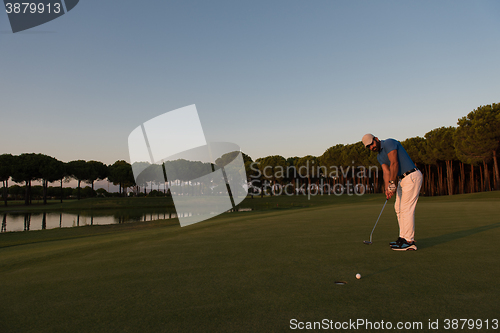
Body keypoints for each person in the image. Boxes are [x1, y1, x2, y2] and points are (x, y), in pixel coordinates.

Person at [362, 134, 423, 251]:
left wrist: (391, 183)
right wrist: (387, 188)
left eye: (372, 144)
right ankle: (403, 237)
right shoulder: (379, 157)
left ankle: (409, 241)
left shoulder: (389, 143)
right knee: (398, 208)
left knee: (406, 208)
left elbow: (394, 163)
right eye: (368, 147)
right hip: (401, 180)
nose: (371, 147)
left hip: (412, 176)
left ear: (376, 139)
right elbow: (386, 171)